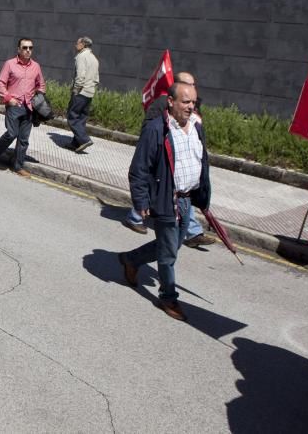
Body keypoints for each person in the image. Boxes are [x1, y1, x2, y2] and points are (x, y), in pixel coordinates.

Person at [119, 81, 211, 322]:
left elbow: (202, 164)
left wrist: (202, 195)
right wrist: (141, 201)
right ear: (171, 102)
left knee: (172, 245)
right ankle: (168, 297)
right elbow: (139, 169)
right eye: (185, 102)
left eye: (193, 102)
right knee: (169, 253)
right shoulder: (156, 129)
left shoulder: (196, 128)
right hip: (165, 198)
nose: (191, 107)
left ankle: (131, 259)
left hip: (186, 200)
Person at [122, 71, 215, 248]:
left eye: (193, 85)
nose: (191, 105)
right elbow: (148, 140)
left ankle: (192, 232)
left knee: (172, 241)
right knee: (168, 246)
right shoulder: (160, 107)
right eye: (189, 85)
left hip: (181, 183)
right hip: (162, 169)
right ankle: (136, 217)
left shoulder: (192, 109)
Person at [0, 37, 45, 176]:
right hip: (14, 105)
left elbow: (41, 84)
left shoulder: (36, 66)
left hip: (29, 107)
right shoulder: (10, 64)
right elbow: (0, 82)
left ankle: (17, 166)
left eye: (30, 48)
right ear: (18, 49)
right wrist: (8, 98)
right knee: (12, 133)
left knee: (23, 139)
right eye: (25, 48)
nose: (28, 50)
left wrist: (39, 98)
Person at [68, 36, 99, 153]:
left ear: (83, 45)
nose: (76, 45)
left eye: (78, 43)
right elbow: (96, 78)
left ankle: (84, 139)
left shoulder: (81, 56)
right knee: (81, 118)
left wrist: (76, 90)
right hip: (90, 92)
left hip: (81, 91)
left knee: (72, 117)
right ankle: (75, 143)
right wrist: (91, 89)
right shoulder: (93, 58)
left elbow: (80, 76)